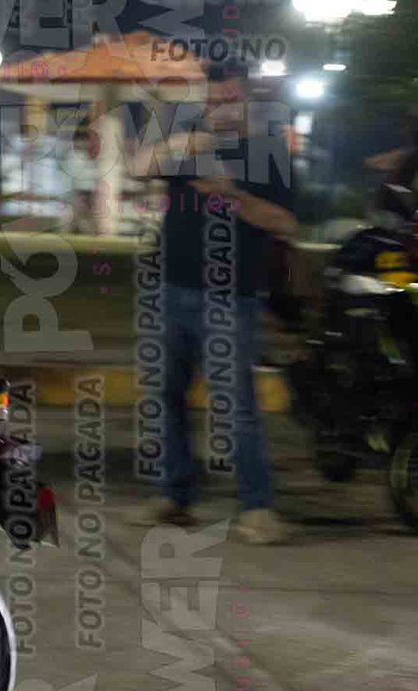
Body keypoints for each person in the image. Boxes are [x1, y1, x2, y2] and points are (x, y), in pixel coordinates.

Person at [129, 65, 297, 544]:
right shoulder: (189, 146)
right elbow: (139, 168)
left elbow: (286, 222)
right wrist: (179, 144)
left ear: (247, 101)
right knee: (165, 396)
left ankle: (257, 507)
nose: (219, 107)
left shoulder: (269, 152)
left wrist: (231, 195)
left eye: (229, 98)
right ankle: (175, 496)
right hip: (168, 290)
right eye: (212, 99)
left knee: (235, 405)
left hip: (229, 299)